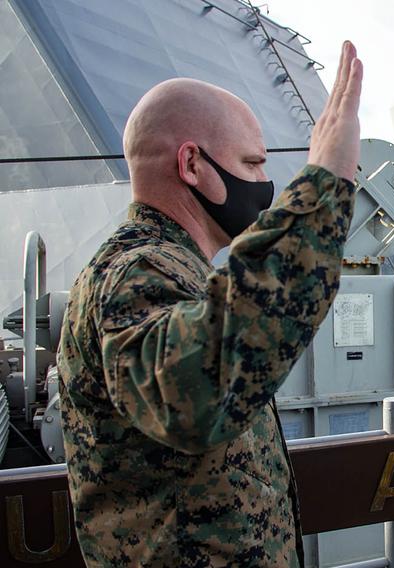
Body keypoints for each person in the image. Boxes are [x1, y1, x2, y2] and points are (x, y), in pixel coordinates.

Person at [56, 42, 362, 567]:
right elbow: (200, 395)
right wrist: (323, 188)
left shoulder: (179, 272)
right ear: (192, 163)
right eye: (250, 163)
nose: (264, 185)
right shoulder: (133, 272)